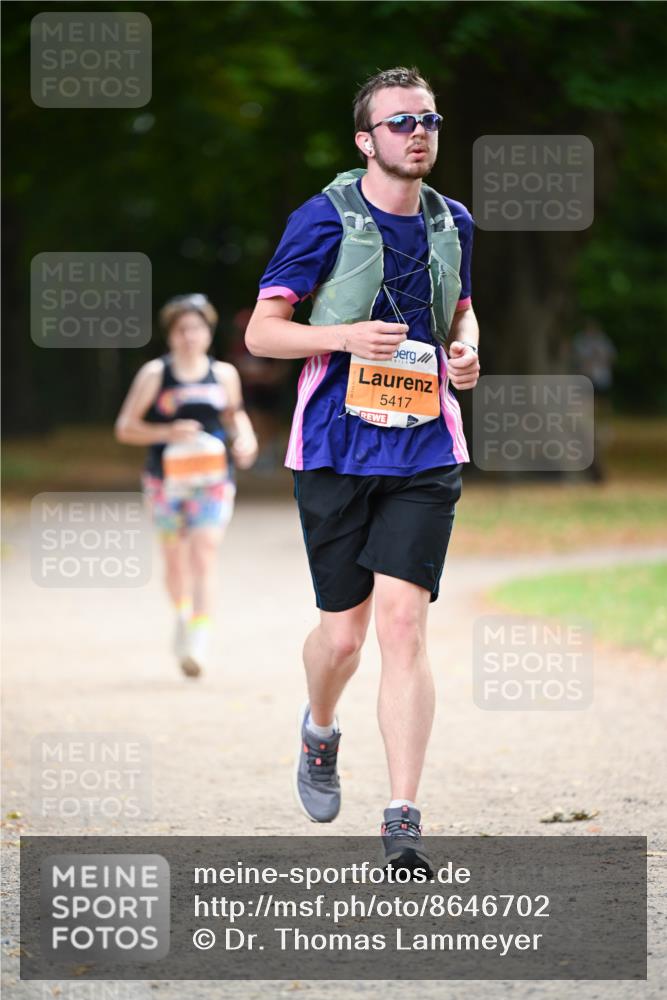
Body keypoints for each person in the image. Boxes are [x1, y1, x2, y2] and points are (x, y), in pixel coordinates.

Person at [245, 67, 480, 872]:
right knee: (342, 639)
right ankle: (319, 729)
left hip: (423, 448)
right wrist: (341, 339)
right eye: (399, 121)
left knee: (403, 626)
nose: (418, 131)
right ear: (365, 140)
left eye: (429, 119)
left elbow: (459, 308)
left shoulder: (454, 223)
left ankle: (402, 814)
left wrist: (467, 348)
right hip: (336, 449)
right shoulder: (321, 219)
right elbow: (262, 335)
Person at [115, 294, 258, 677]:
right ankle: (181, 614)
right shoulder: (154, 374)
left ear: (208, 333)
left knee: (204, 554)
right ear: (171, 335)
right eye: (182, 330)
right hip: (166, 482)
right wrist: (168, 431)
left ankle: (198, 636)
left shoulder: (224, 374)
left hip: (212, 480)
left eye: (197, 328)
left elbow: (235, 416)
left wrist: (246, 440)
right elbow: (125, 427)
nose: (190, 336)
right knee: (175, 560)